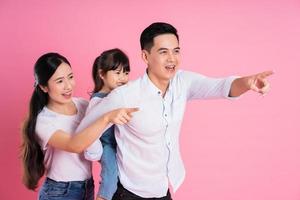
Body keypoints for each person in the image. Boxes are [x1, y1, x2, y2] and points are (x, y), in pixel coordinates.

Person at [77, 22, 273, 200]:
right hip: (129, 193)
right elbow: (84, 131)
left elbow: (220, 85)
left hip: (163, 190)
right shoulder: (125, 95)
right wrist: (104, 127)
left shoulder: (183, 82)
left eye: (176, 51)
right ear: (145, 56)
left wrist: (248, 82)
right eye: (163, 52)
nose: (172, 59)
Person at [21, 52, 137, 200]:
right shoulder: (44, 121)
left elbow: (101, 139)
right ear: (44, 87)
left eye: (70, 77)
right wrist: (107, 117)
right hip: (59, 192)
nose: (68, 86)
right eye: (59, 81)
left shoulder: (83, 105)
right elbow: (74, 145)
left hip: (87, 187)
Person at [85, 48, 130, 200]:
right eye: (117, 73)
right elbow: (88, 130)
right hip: (106, 145)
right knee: (111, 173)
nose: (123, 78)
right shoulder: (98, 101)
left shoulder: (118, 96)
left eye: (126, 73)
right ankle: (102, 197)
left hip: (119, 144)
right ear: (102, 74)